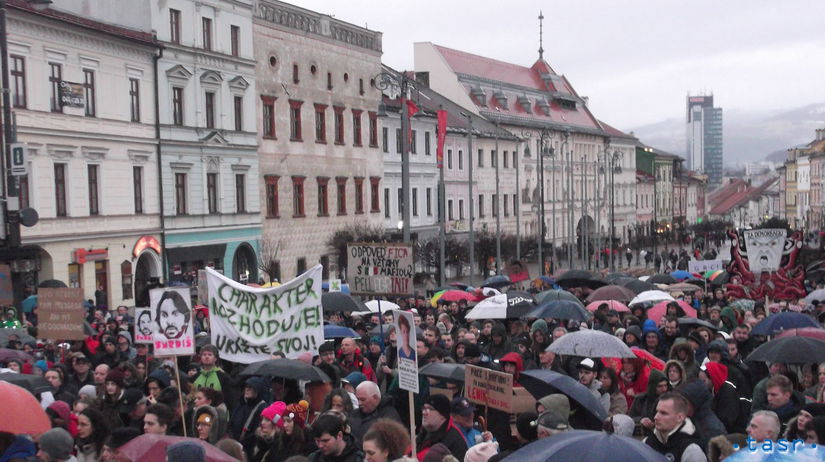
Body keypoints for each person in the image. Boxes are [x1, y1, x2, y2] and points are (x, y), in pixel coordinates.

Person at [643, 392, 706, 462]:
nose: (656, 417)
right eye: (657, 412)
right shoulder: (647, 442)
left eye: (663, 413)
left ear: (680, 418)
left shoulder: (691, 450)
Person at [416, 395, 467, 462]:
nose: (424, 412)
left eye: (430, 409)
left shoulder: (455, 441)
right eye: (424, 408)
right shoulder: (424, 432)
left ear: (442, 415)